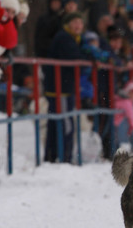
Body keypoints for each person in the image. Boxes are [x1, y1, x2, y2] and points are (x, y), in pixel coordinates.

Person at [43, 12, 86, 162]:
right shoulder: (65, 38)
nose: (78, 26)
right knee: (65, 124)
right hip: (60, 89)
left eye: (80, 22)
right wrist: (89, 56)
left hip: (60, 88)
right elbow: (75, 58)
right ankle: (64, 157)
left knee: (56, 122)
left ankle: (52, 156)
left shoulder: (71, 38)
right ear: (67, 24)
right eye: (75, 22)